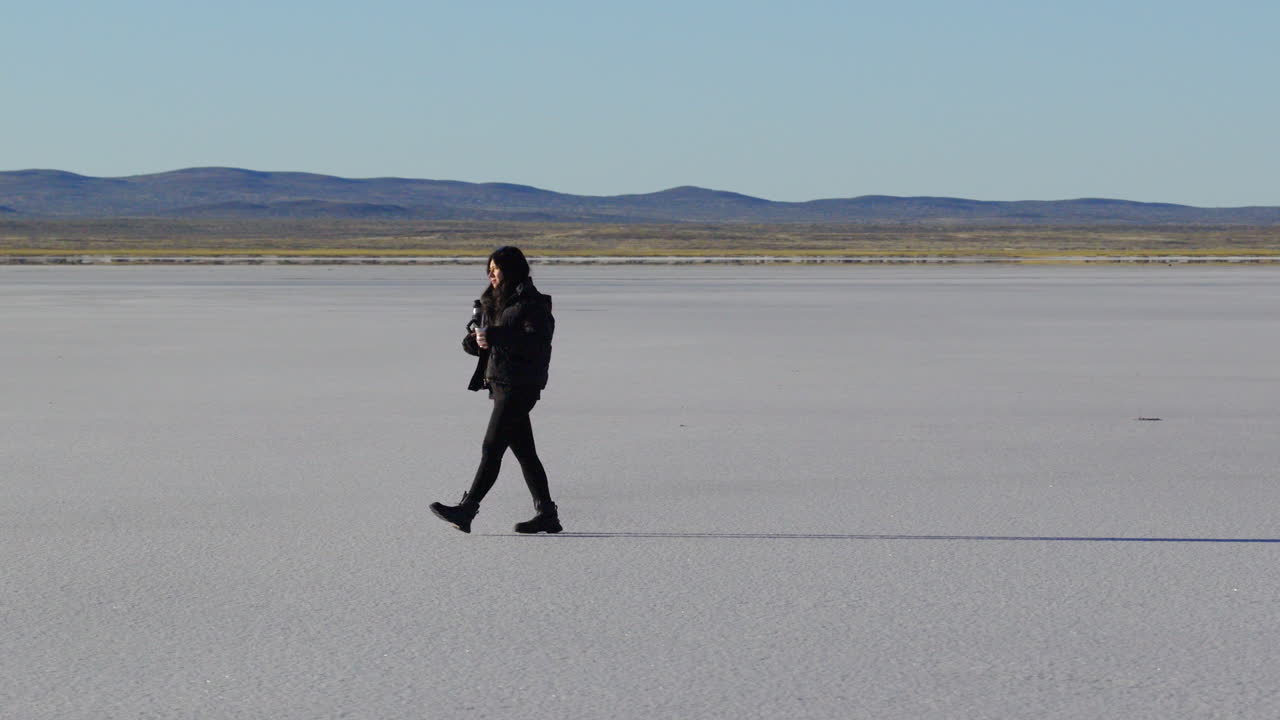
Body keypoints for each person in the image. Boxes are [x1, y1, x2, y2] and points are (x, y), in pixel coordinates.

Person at [430, 246, 561, 534]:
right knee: (525, 453)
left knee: (492, 448)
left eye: (496, 269)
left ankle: (467, 510)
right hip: (501, 383)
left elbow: (536, 343)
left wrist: (496, 335)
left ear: (511, 270)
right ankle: (547, 514)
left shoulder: (532, 303)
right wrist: (474, 343)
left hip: (521, 384)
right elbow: (494, 342)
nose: (491, 274)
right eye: (488, 269)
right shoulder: (496, 301)